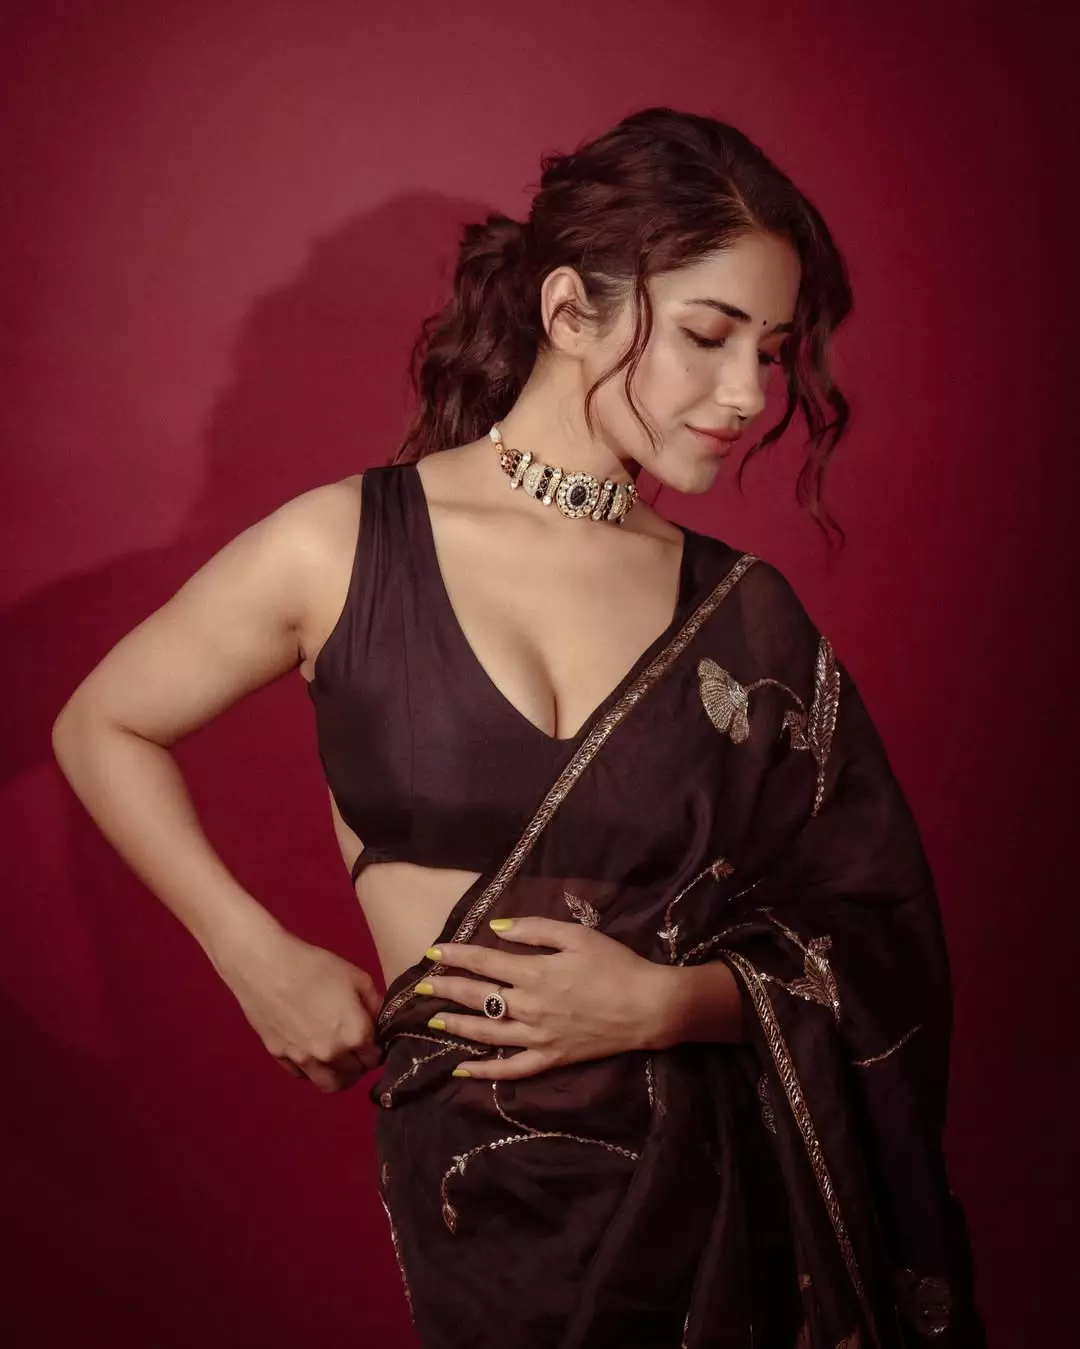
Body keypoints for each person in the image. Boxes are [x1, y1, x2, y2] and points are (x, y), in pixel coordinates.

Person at [51, 107, 983, 1347]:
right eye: (708, 336)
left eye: (770, 353)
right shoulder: (346, 547)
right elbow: (103, 721)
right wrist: (251, 950)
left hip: (721, 1207)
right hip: (482, 1193)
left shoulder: (746, 617)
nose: (750, 395)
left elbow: (879, 940)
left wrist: (670, 1005)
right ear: (569, 310)